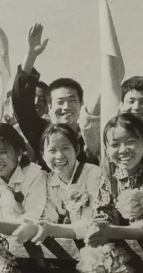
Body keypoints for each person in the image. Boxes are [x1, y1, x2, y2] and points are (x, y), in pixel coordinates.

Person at [11, 23, 100, 168]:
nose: (66, 107)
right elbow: (21, 103)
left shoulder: (90, 137)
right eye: (60, 102)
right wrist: (30, 56)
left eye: (72, 100)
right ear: (50, 106)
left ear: (81, 104)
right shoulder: (42, 133)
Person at [85, 113, 143, 246]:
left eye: (130, 142)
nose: (123, 150)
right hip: (124, 248)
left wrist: (111, 231)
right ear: (107, 150)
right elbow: (102, 213)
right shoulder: (110, 174)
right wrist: (98, 228)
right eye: (115, 144)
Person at [23, 124, 102, 242]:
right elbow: (49, 218)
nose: (59, 156)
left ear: (76, 149)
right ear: (43, 155)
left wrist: (53, 229)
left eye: (65, 148)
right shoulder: (48, 181)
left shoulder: (93, 173)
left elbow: (92, 225)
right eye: (52, 150)